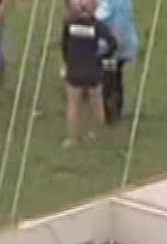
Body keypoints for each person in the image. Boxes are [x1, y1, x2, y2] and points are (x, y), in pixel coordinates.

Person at [60, 0, 117, 147]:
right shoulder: (98, 26)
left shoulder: (69, 25)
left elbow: (64, 46)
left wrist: (68, 61)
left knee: (73, 105)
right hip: (93, 69)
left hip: (74, 70)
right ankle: (96, 134)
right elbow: (112, 43)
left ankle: (72, 138)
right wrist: (102, 55)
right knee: (97, 104)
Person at [96, 0, 139, 123]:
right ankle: (108, 110)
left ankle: (111, 113)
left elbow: (120, 29)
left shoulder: (121, 3)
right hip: (103, 46)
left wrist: (110, 47)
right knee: (108, 77)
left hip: (116, 49)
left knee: (110, 77)